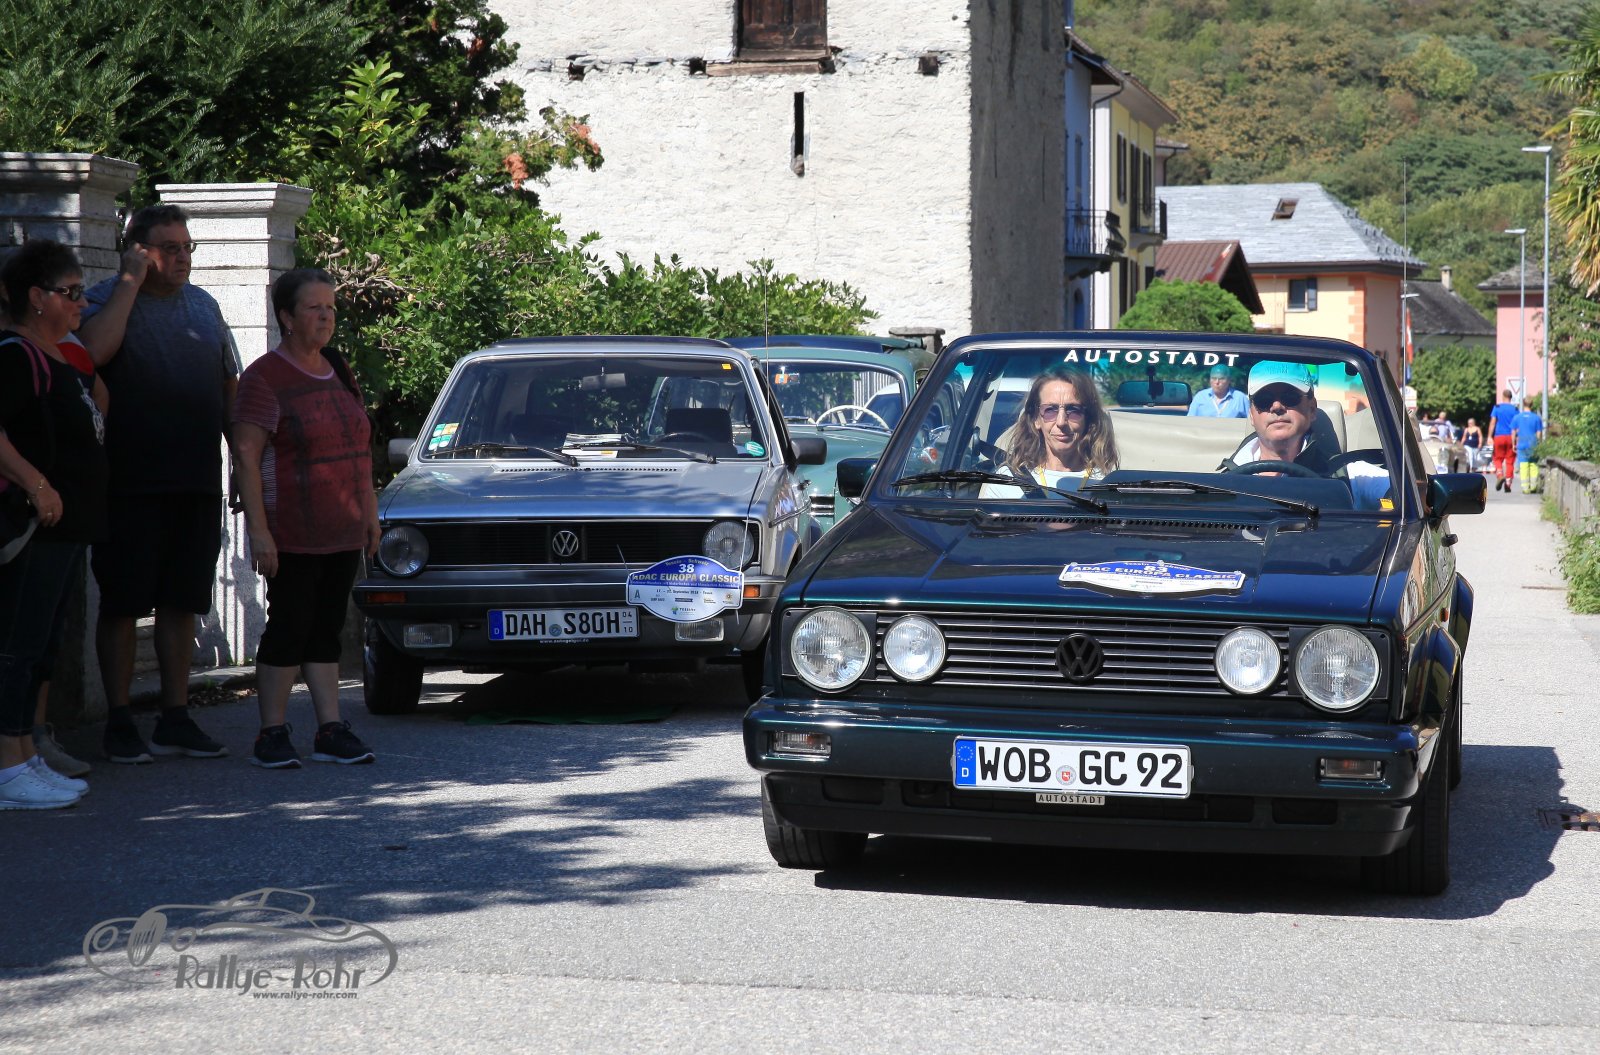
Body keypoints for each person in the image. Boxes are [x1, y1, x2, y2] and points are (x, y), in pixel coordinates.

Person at [78, 204, 239, 764]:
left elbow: (230, 387)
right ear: (139, 251)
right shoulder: (102, 299)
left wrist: (243, 465)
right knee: (123, 603)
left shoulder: (206, 306)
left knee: (182, 600)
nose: (183, 258)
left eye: (188, 247)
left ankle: (176, 717)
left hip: (195, 481)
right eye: (170, 248)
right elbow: (91, 354)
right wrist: (129, 282)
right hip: (127, 484)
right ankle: (120, 721)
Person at [232, 269, 380, 768]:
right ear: (287, 318)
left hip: (343, 528)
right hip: (292, 530)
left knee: (325, 630)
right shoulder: (263, 378)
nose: (326, 316)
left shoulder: (337, 367)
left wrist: (370, 515)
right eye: (314, 308)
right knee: (289, 627)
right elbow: (246, 456)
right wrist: (259, 532)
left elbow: (360, 447)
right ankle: (271, 733)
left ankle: (329, 729)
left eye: (331, 308)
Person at [0, 241, 105, 809]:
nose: (81, 303)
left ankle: (23, 754)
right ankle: (5, 766)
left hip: (64, 528)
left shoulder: (57, 354)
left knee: (37, 648)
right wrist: (38, 485)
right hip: (32, 526)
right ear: (37, 297)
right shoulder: (15, 354)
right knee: (15, 647)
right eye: (71, 293)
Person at [1220, 361, 1389, 507]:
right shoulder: (1222, 482)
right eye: (1264, 400)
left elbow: (1400, 495)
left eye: (1290, 397)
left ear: (1312, 408)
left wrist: (1386, 513)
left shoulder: (1346, 476)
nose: (1276, 407)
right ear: (1251, 415)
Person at [982, 365, 1118, 497]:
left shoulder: (1108, 485)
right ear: (1036, 419)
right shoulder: (1007, 482)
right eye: (1050, 410)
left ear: (1088, 419)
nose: (1061, 422)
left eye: (1073, 410)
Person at [1512, 398, 1545, 494]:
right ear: (1532, 405)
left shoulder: (1517, 417)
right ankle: (1533, 486)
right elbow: (1539, 433)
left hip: (1522, 444)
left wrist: (1513, 443)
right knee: (1533, 465)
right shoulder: (1536, 418)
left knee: (1523, 466)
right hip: (1533, 444)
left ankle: (1525, 488)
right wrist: (1539, 444)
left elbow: (1513, 432)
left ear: (1523, 404)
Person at [1489, 389, 1518, 493]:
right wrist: (1516, 439)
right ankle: (1508, 483)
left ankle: (1500, 474)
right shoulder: (1515, 409)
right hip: (1511, 437)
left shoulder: (1497, 407)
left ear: (1503, 396)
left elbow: (1493, 422)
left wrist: (1489, 436)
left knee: (1497, 458)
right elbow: (1517, 426)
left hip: (1499, 436)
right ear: (1511, 397)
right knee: (1510, 461)